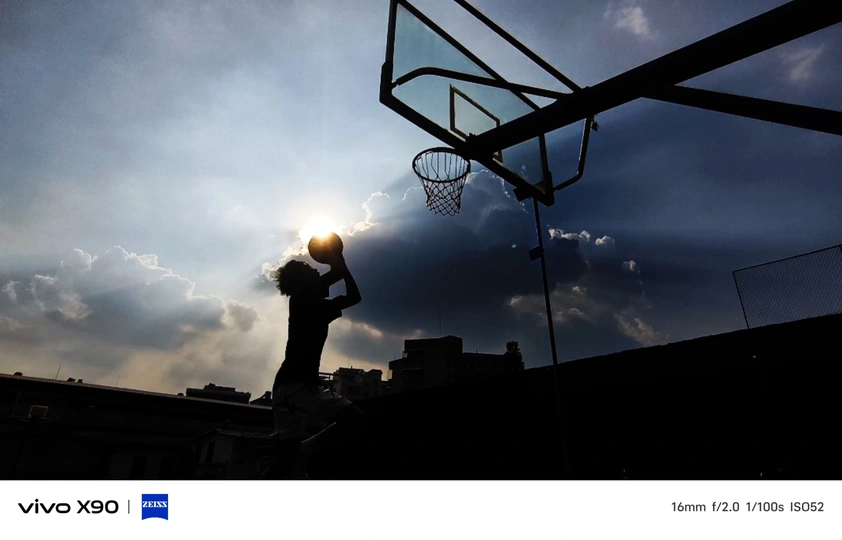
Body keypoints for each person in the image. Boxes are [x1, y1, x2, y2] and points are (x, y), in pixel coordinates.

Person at [263, 249, 366, 479]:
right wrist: (337, 256)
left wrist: (338, 258)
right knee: (284, 463)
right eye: (308, 268)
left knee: (283, 464)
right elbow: (351, 292)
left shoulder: (309, 299)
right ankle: (303, 450)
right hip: (293, 387)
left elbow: (343, 281)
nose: (315, 269)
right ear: (301, 280)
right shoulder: (304, 300)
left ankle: (303, 450)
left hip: (301, 385)